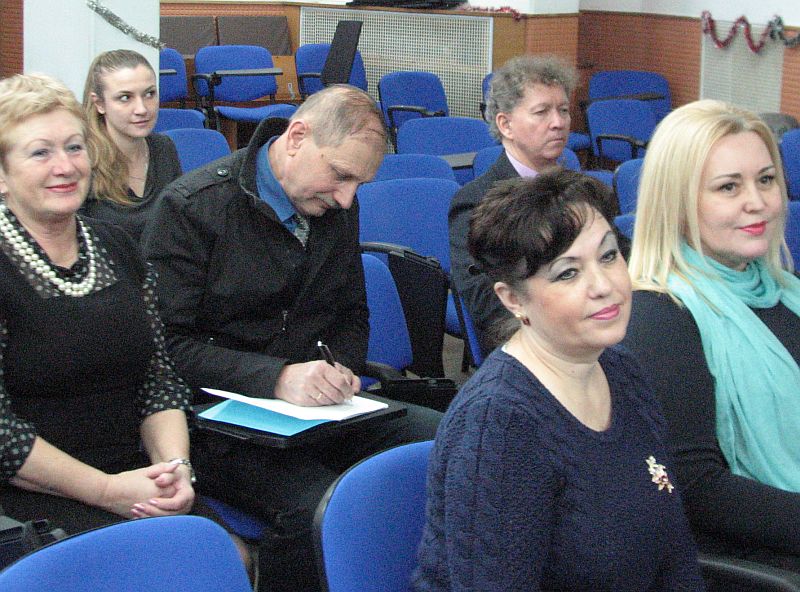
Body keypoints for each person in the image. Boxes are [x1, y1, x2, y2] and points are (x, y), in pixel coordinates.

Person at [145, 84, 441, 591]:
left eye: (359, 184)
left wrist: (341, 367)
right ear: (297, 137)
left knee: (450, 441)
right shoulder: (192, 208)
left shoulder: (335, 204)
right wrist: (277, 378)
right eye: (341, 175)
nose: (347, 198)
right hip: (217, 421)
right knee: (318, 507)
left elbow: (351, 312)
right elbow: (166, 349)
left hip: (321, 410)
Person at [0, 73, 250, 571]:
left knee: (228, 559)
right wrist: (106, 491)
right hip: (29, 493)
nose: (65, 166)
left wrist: (175, 467)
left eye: (74, 147)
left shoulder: (117, 246)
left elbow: (159, 377)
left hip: (134, 472)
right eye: (40, 153)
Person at [413, 170, 705, 591]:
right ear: (513, 299)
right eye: (568, 273)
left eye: (608, 256)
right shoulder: (500, 426)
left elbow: (674, 551)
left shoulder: (621, 370)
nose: (604, 285)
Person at [623, 99, 800, 571]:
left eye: (766, 180)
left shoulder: (785, 292)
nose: (757, 202)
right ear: (678, 203)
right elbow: (696, 488)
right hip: (759, 558)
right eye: (728, 187)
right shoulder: (659, 316)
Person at [450, 55, 577, 357]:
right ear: (505, 124)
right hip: (529, 347)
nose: (558, 122)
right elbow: (485, 303)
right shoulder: (476, 202)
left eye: (563, 110)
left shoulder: (580, 191)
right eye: (542, 112)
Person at [81, 49, 181, 244]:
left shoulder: (164, 148)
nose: (142, 109)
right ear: (99, 104)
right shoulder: (82, 158)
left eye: (149, 94)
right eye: (125, 97)